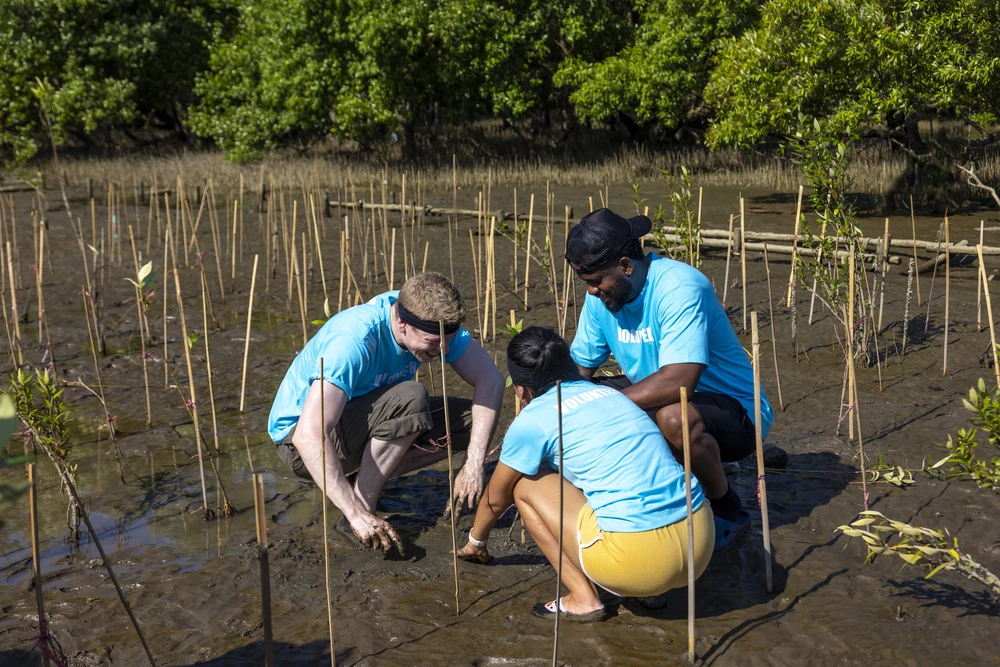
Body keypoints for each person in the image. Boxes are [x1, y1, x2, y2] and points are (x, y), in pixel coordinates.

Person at [457, 326, 714, 621]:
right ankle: (653, 593)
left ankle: (583, 598)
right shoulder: (612, 395)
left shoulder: (533, 420)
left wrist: (475, 542)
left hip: (636, 562)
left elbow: (497, 498)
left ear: (521, 389)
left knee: (524, 486)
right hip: (700, 543)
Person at [563, 208, 774, 551]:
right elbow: (579, 370)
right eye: (586, 282)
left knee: (672, 416)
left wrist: (600, 409)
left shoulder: (680, 286)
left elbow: (680, 381)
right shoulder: (603, 297)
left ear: (626, 265)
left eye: (597, 280)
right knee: (577, 398)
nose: (591, 291)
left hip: (735, 413)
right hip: (660, 397)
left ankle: (727, 509)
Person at [268, 272, 504, 551]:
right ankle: (358, 510)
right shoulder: (353, 341)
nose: (443, 351)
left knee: (468, 422)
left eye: (449, 341)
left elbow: (491, 380)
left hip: (357, 423)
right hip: (298, 445)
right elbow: (308, 436)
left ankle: (359, 483)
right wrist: (357, 516)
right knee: (411, 397)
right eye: (433, 343)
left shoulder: (430, 320)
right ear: (402, 324)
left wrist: (474, 464)